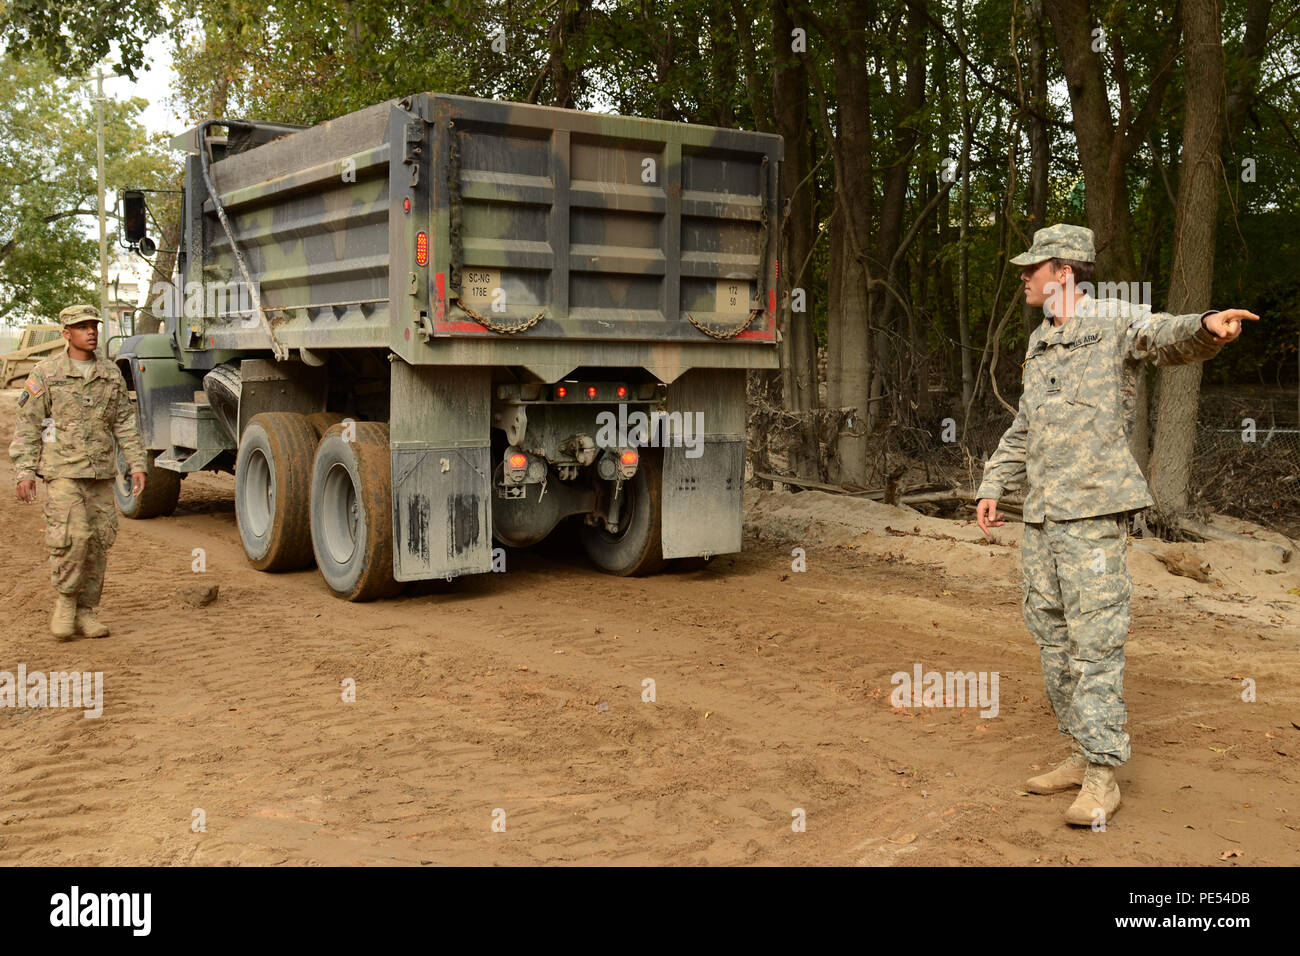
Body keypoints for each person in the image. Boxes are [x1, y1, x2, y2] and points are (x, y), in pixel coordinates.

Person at [974, 224, 1258, 826]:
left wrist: (1206, 326)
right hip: (1044, 515)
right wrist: (994, 484)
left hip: (1094, 513)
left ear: (1065, 273)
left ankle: (1103, 775)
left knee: (1095, 643)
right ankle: (1078, 753)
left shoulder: (1112, 321)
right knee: (1051, 637)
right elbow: (1025, 427)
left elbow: (1164, 335)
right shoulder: (1039, 343)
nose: (1025, 276)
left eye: (1035, 267)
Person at [10, 304, 148, 640]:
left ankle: (86, 611)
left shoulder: (110, 373)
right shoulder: (46, 372)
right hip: (62, 472)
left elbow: (124, 422)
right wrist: (25, 470)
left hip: (100, 473)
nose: (90, 331)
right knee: (72, 538)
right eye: (82, 326)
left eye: (94, 326)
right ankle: (65, 603)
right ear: (66, 333)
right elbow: (31, 424)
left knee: (99, 542)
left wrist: (137, 462)